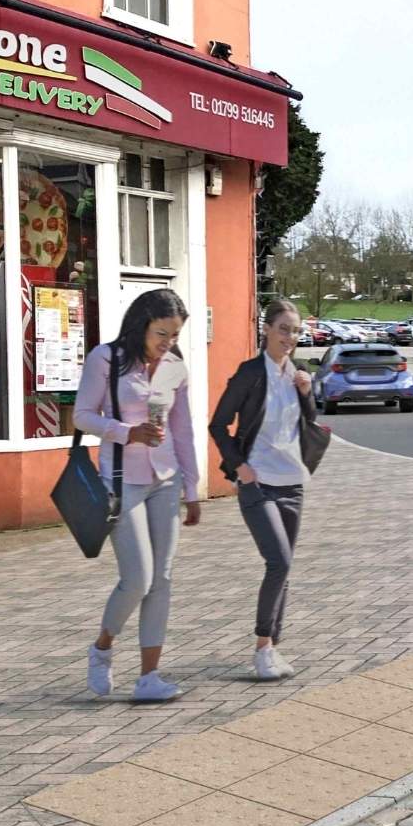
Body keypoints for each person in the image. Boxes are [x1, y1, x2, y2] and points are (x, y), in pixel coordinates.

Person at [74, 288, 201, 703]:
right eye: (162, 333)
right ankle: (103, 646)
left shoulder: (175, 367)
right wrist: (128, 432)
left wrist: (192, 488)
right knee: (138, 579)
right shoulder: (105, 359)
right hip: (120, 479)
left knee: (162, 579)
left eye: (175, 335)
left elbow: (182, 429)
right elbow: (82, 415)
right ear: (141, 324)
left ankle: (149, 677)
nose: (168, 343)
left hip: (166, 480)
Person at [210, 299, 327, 681]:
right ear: (266, 330)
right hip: (257, 482)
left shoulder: (298, 373)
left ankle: (272, 646)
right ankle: (262, 648)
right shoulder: (249, 374)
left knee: (284, 568)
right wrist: (237, 466)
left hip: (293, 481)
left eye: (295, 331)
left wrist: (307, 392)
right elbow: (218, 425)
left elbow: (307, 423)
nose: (290, 338)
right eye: (283, 329)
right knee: (279, 561)